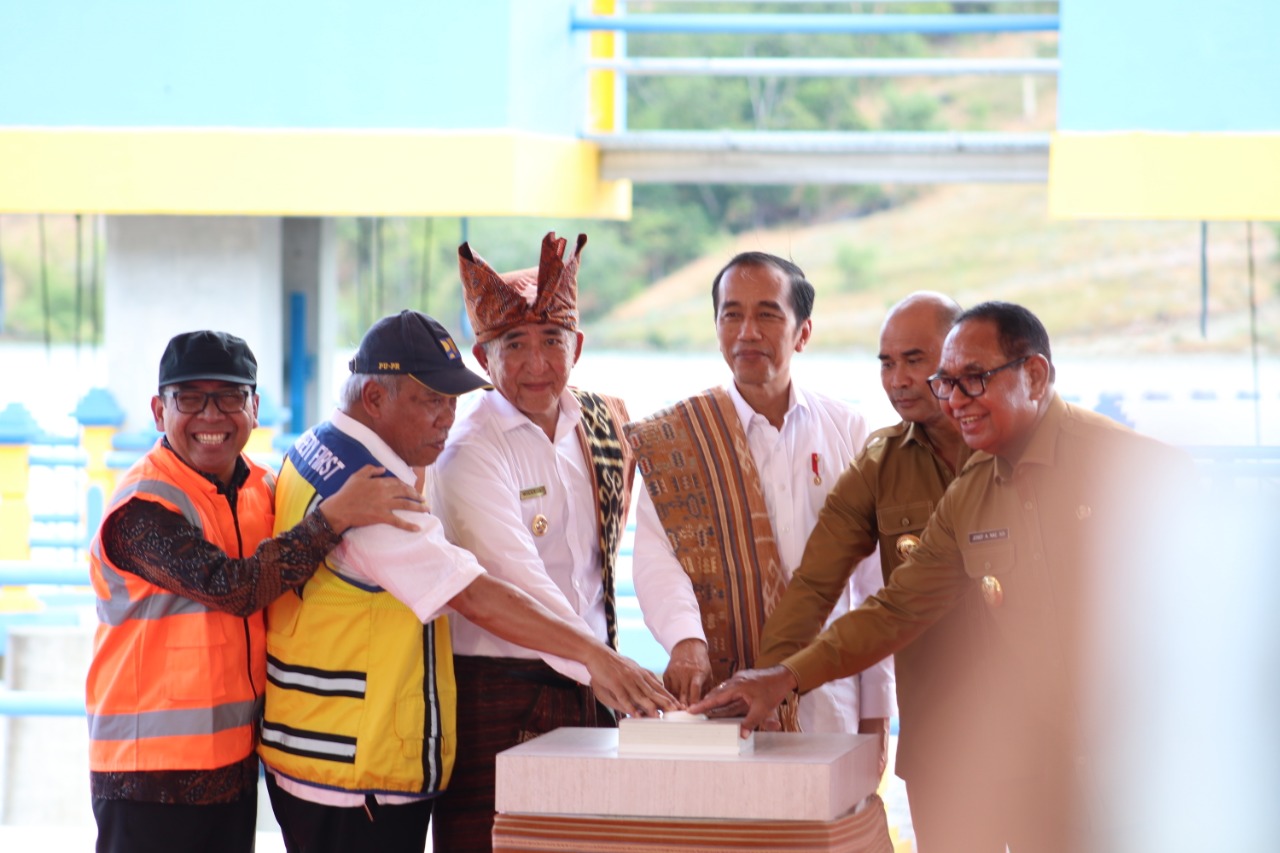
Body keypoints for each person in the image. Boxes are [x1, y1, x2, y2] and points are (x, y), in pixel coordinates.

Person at [692, 301, 1194, 852]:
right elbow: (896, 609)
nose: (953, 400)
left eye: (971, 381)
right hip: (977, 759)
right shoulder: (968, 489)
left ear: (1034, 374)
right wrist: (782, 677)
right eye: (946, 383)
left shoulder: (1134, 469)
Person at [259, 309, 673, 853]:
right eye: (430, 401)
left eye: (452, 401)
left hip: (320, 744)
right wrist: (595, 659)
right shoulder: (373, 493)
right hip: (354, 766)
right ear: (375, 399)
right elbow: (474, 595)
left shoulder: (322, 444)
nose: (446, 419)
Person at [86, 330, 426, 853]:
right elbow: (233, 588)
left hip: (236, 770)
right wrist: (334, 516)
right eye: (190, 398)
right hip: (148, 780)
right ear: (159, 411)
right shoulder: (141, 508)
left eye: (229, 397)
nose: (211, 416)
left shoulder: (263, 488)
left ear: (255, 407)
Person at [429, 233, 662, 851]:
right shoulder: (468, 447)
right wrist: (603, 664)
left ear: (577, 346)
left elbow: (619, 559)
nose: (536, 365)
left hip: (592, 686)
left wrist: (612, 668)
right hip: (498, 693)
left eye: (551, 342)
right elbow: (513, 582)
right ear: (483, 356)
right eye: (514, 345)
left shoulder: (603, 421)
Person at [624, 251, 894, 747]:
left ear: (803, 333)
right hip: (718, 697)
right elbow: (656, 560)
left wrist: (877, 715)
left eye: (767, 314)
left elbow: (873, 587)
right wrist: (686, 640)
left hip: (827, 701)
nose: (747, 331)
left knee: (822, 828)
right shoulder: (680, 439)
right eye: (732, 315)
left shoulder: (847, 429)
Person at [754, 292, 988, 848]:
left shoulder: (1014, 451)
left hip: (1042, 739)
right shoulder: (879, 464)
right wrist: (769, 683)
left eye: (915, 359)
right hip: (941, 740)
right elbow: (815, 585)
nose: (898, 379)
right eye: (886, 362)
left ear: (958, 359)